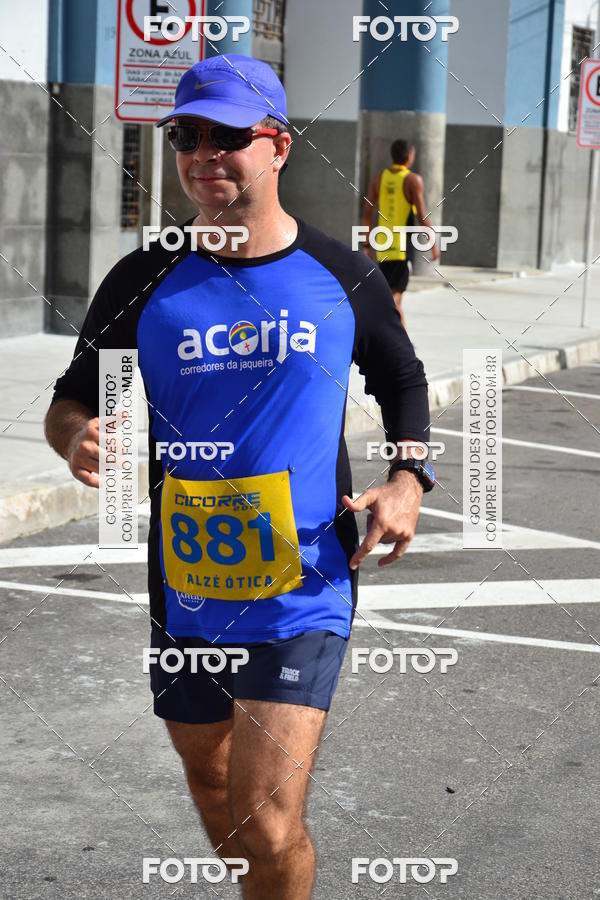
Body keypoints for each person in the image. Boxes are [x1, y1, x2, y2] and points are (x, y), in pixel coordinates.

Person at [44, 54, 435, 899]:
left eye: (228, 136)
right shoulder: (143, 280)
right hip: (187, 582)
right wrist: (76, 437)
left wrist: (408, 476)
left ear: (279, 147)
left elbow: (402, 376)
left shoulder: (341, 273)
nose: (202, 153)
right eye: (186, 134)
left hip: (307, 580)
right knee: (215, 789)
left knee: (266, 819)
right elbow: (71, 399)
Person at [362, 139, 440, 329]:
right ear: (409, 157)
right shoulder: (413, 180)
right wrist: (433, 245)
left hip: (382, 247)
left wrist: (366, 245)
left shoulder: (379, 178)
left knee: (390, 300)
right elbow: (422, 215)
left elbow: (367, 215)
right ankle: (402, 348)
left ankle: (397, 346)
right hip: (401, 249)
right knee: (394, 303)